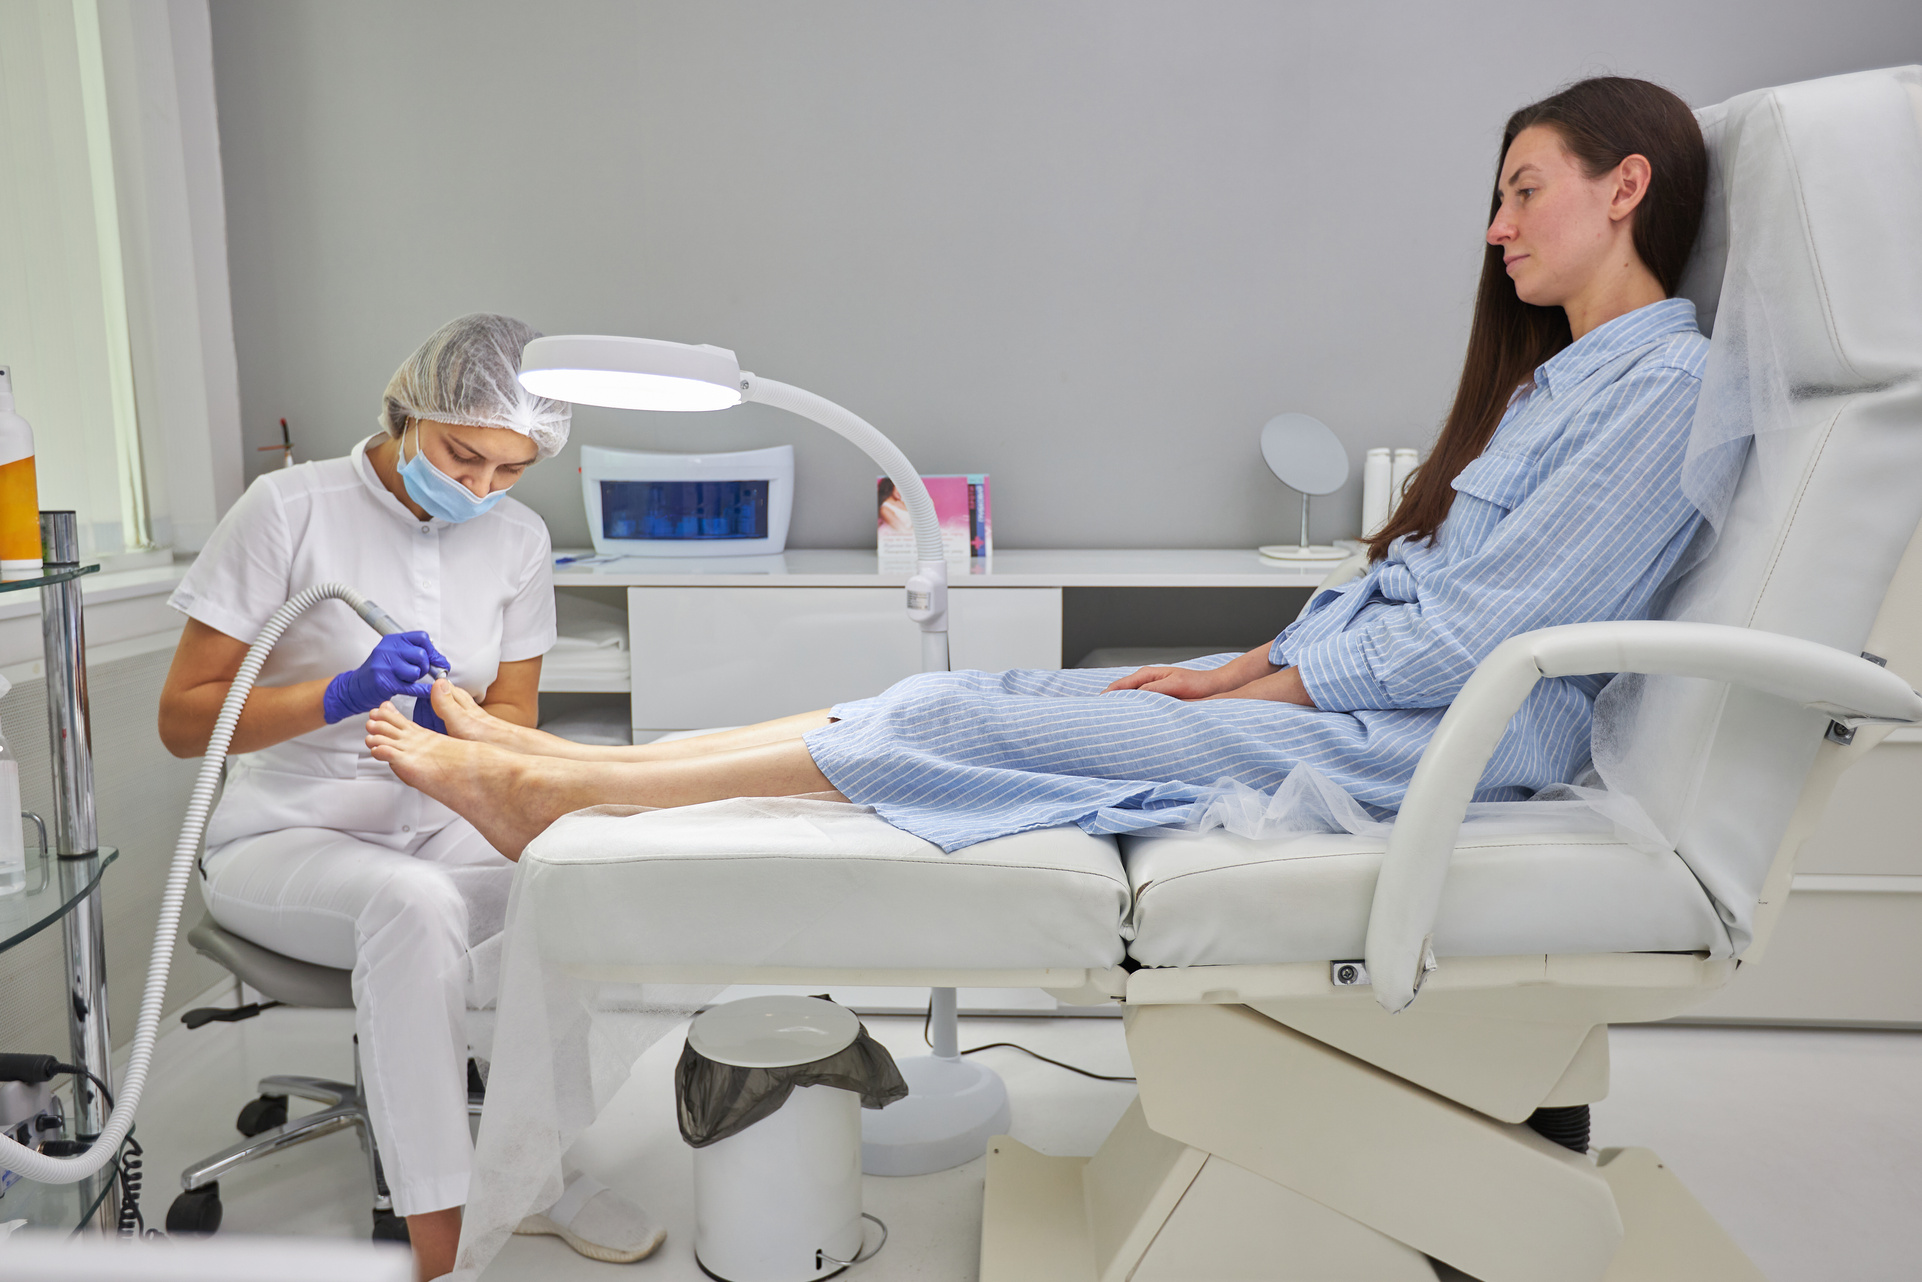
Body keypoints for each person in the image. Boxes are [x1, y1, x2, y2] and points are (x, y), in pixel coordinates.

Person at [361, 76, 1713, 872]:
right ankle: (555, 755)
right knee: (951, 688)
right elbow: (1415, 591)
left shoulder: (1663, 393)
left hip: (1429, 750)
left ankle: (557, 793)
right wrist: (1244, 664)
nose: (1495, 228)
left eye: (1524, 191)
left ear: (1624, 186)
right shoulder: (1555, 387)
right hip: (1367, 709)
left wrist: (1267, 677)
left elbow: (1477, 640)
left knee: (965, 729)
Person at [159, 315, 659, 1279]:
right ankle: (444, 1238)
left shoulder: (516, 540)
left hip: (445, 819)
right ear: (408, 412)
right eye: (463, 456)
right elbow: (185, 720)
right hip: (289, 833)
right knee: (413, 906)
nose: (480, 490)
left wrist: (461, 726)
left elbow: (515, 708)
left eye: (509, 471)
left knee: (569, 877)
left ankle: (539, 1175)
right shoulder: (287, 510)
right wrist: (337, 695)